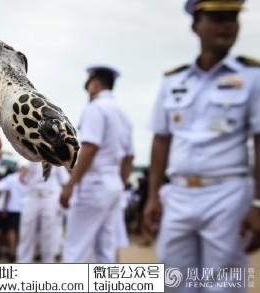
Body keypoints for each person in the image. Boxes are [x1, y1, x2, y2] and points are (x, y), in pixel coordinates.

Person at [144, 1, 260, 292]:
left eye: (232, 17)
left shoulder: (252, 77)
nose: (227, 25)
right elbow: (161, 139)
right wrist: (153, 196)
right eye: (217, 18)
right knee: (175, 281)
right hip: (179, 194)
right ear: (196, 26)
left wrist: (258, 204)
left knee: (223, 286)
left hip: (228, 195)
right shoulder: (174, 80)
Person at [60, 65, 132, 263]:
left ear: (95, 84)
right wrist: (119, 184)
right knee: (105, 251)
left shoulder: (95, 108)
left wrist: (70, 184)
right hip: (113, 184)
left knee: (75, 249)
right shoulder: (122, 114)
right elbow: (129, 158)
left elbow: (90, 148)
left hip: (94, 184)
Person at [17, 162, 69, 263]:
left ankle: (48, 262)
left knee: (49, 235)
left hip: (50, 197)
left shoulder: (54, 157)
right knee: (26, 234)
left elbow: (65, 180)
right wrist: (24, 171)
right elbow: (21, 178)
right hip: (31, 197)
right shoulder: (26, 157)